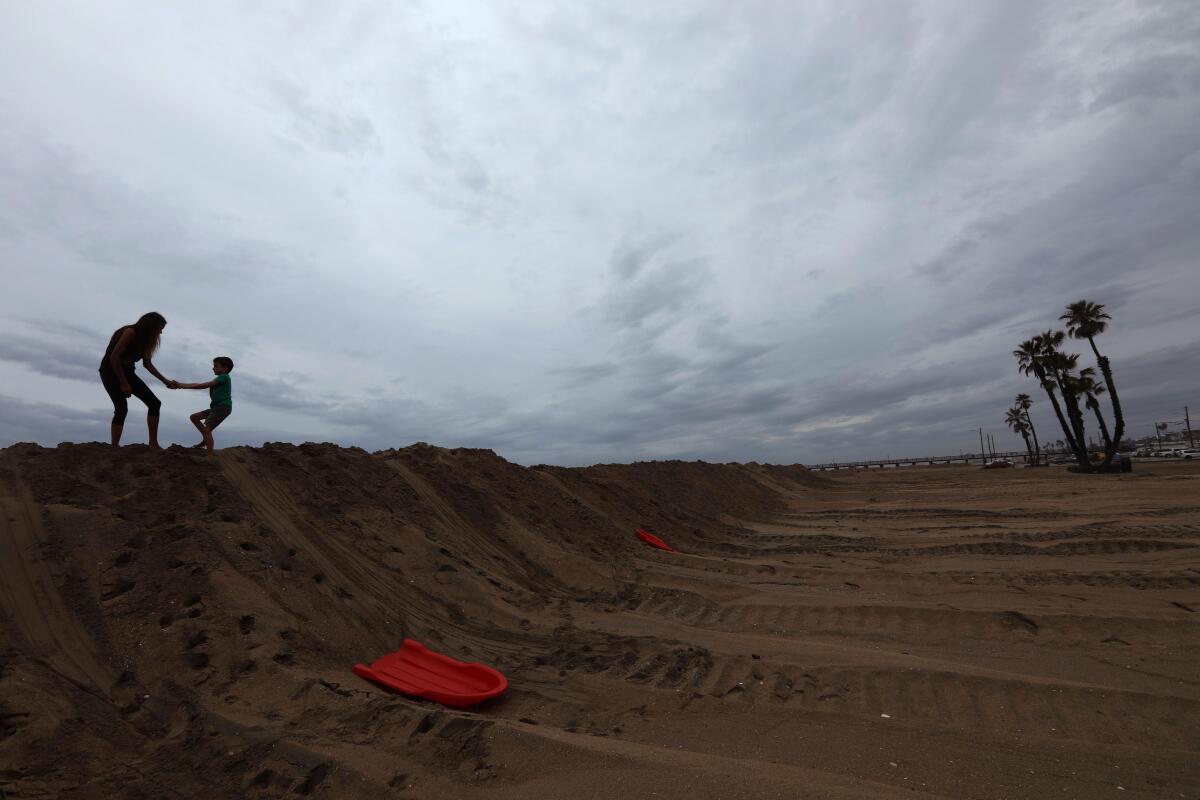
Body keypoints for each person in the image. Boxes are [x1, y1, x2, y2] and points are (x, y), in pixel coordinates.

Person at [99, 312, 178, 448]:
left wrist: (166, 381)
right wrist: (124, 383)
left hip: (128, 372)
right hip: (110, 371)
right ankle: (114, 446)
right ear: (151, 326)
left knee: (154, 403)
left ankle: (153, 443)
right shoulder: (130, 332)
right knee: (121, 408)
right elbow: (114, 357)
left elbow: (147, 364)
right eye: (159, 329)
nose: (160, 333)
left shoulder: (147, 341)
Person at [176, 357, 234, 454]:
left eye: (216, 366)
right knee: (194, 417)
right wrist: (180, 385)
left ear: (225, 368)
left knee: (207, 429)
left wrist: (181, 386)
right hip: (217, 407)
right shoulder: (220, 378)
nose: (213, 368)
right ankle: (205, 439)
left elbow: (202, 386)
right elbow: (199, 384)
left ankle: (210, 456)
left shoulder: (224, 377)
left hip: (223, 407)